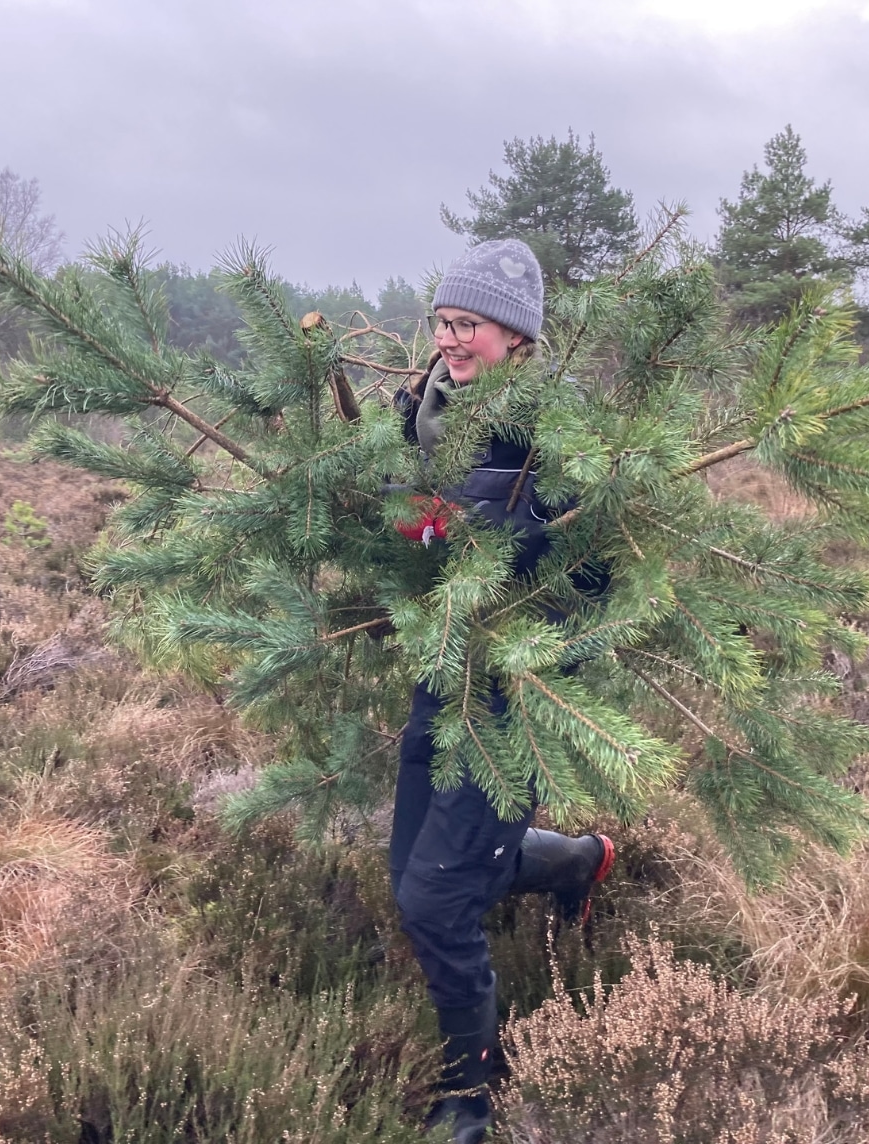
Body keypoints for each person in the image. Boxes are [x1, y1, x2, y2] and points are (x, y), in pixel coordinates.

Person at [388, 238, 614, 1144]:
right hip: (439, 677)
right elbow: (412, 531)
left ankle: (468, 1099)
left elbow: (598, 580)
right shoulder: (426, 416)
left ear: (516, 336)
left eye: (467, 324)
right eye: (442, 321)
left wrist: (519, 552)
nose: (449, 339)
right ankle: (573, 859)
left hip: (513, 697)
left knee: (435, 901)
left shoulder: (555, 438)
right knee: (411, 873)